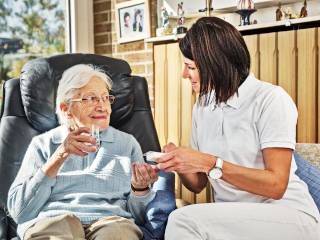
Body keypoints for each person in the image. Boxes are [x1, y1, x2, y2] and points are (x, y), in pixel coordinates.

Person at [157, 17, 320, 239]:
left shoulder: (270, 99)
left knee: (183, 220)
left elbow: (276, 185)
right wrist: (179, 162)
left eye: (191, 67)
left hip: (289, 215)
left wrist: (210, 162)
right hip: (232, 218)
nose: (184, 75)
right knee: (183, 218)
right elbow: (198, 184)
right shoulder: (203, 107)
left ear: (215, 65)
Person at [7, 64, 160, 240]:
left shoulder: (127, 144)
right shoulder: (43, 144)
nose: (103, 107)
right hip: (53, 220)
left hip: (111, 221)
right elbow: (20, 211)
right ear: (66, 109)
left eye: (105, 98)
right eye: (91, 99)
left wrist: (139, 189)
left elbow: (140, 218)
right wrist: (60, 155)